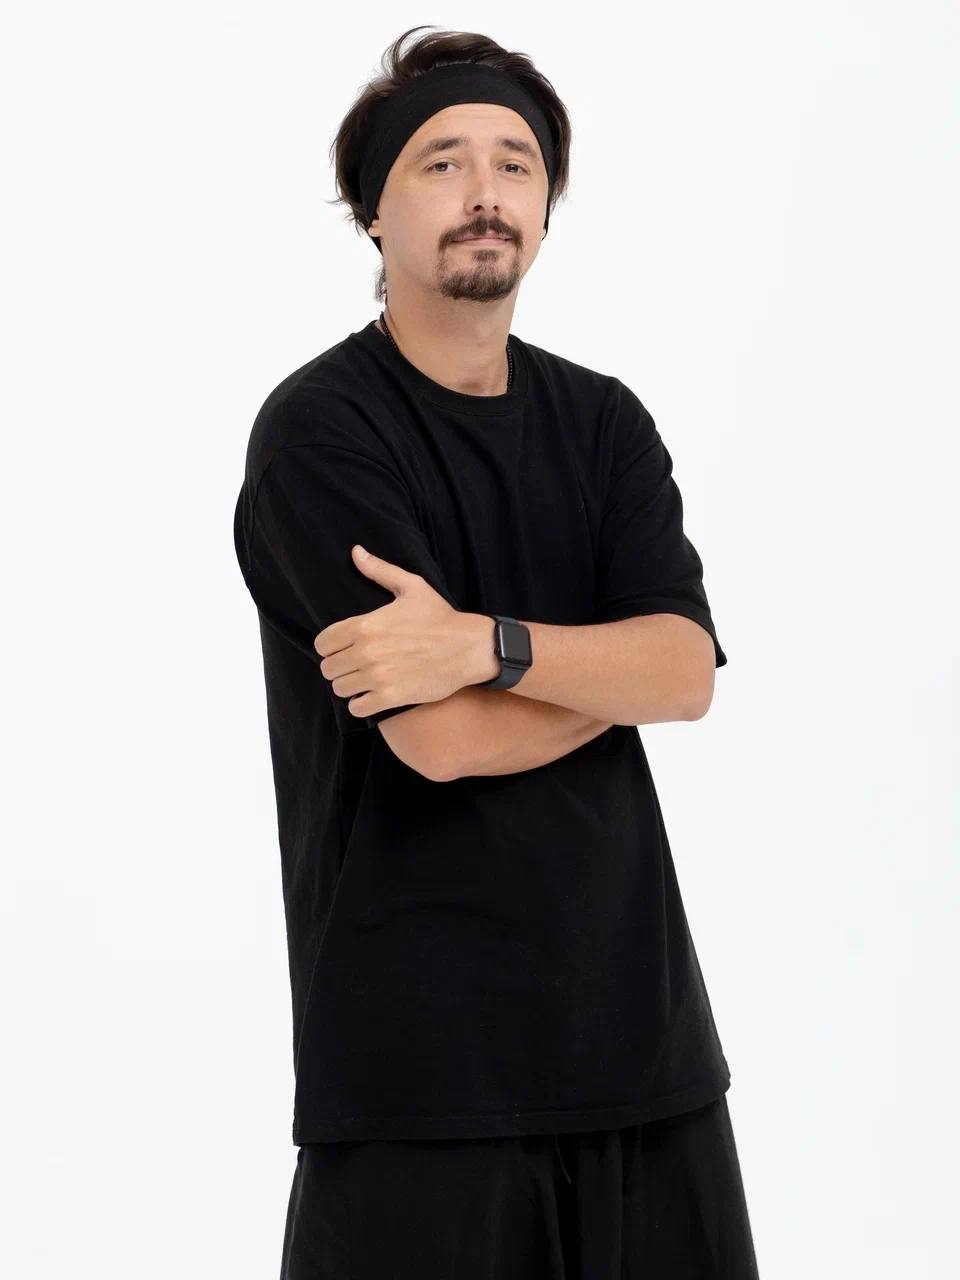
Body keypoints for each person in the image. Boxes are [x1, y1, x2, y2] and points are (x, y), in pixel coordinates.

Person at [233, 25, 760, 1280]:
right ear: (373, 212)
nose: (486, 191)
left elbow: (687, 674)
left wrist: (484, 641)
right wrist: (615, 669)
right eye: (442, 162)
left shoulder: (604, 422)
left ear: (546, 206)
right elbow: (444, 738)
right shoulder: (321, 433)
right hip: (422, 1077)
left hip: (646, 1053)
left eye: (516, 164)